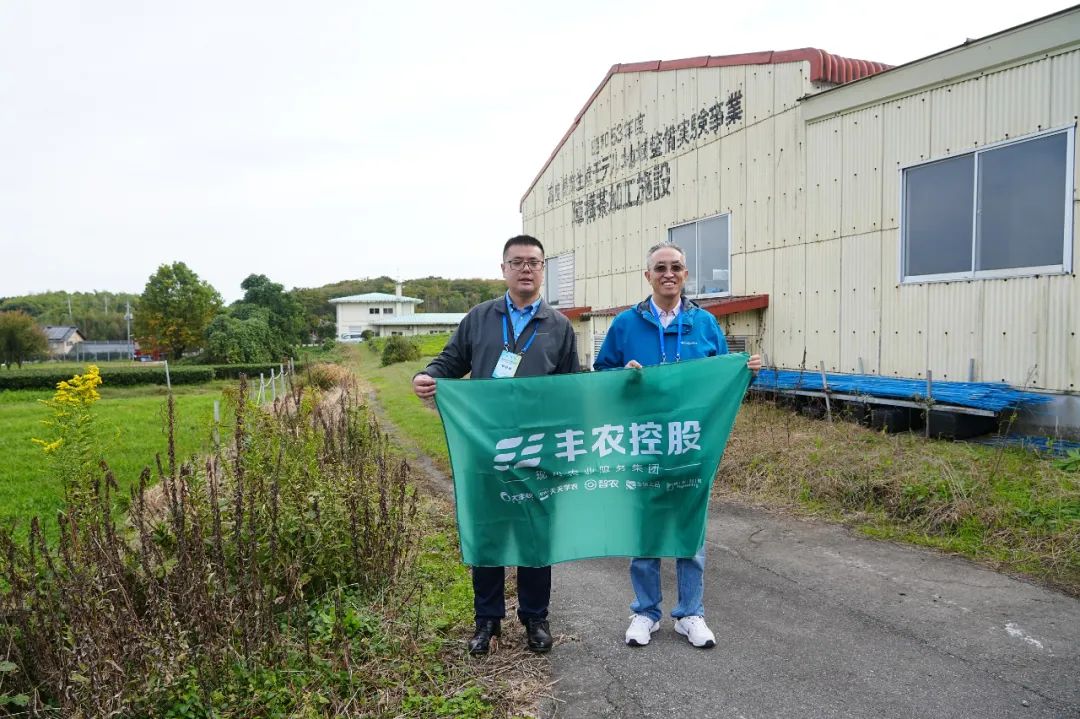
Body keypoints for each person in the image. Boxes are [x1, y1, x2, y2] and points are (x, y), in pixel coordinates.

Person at [412, 234, 580, 655]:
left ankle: (535, 618)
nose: (526, 269)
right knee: (488, 530)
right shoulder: (480, 318)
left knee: (535, 533)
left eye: (534, 262)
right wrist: (428, 375)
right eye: (517, 262)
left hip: (537, 448)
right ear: (503, 269)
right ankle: (487, 619)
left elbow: (570, 389)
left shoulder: (559, 326)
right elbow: (450, 361)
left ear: (543, 270)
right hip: (485, 444)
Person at [594, 240, 762, 649]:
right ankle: (645, 612)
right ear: (647, 275)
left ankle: (691, 613)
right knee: (645, 529)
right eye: (660, 268)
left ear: (686, 274)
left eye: (676, 267)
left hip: (690, 444)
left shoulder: (703, 324)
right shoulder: (625, 324)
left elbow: (722, 378)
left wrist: (747, 371)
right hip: (643, 441)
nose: (668, 274)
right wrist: (623, 374)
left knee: (690, 528)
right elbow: (602, 374)